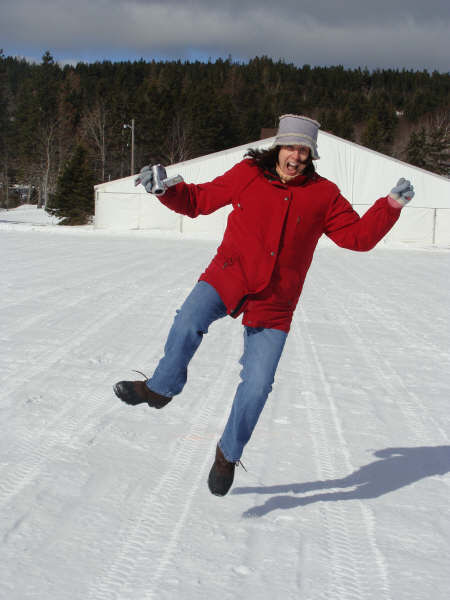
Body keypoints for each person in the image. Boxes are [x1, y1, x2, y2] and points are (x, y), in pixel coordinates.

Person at [113, 114, 414, 497]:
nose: (297, 156)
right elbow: (198, 201)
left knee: (257, 385)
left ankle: (228, 453)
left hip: (277, 299)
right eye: (291, 147)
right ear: (278, 147)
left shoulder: (324, 194)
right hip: (228, 274)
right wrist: (165, 190)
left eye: (305, 151)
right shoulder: (248, 175)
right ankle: (160, 389)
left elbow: (356, 237)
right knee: (188, 319)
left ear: (312, 155)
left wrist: (389, 206)